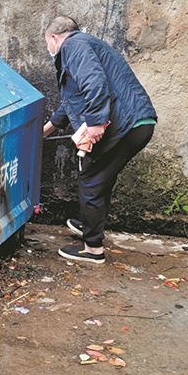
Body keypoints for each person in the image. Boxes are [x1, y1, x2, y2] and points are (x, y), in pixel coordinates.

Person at [42, 16, 156, 264]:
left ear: (54, 37)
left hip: (123, 124)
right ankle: (88, 224)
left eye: (47, 44)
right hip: (138, 122)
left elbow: (94, 82)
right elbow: (73, 100)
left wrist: (95, 123)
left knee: (91, 179)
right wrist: (48, 128)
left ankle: (92, 248)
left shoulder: (73, 45)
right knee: (102, 177)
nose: (49, 51)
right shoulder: (87, 45)